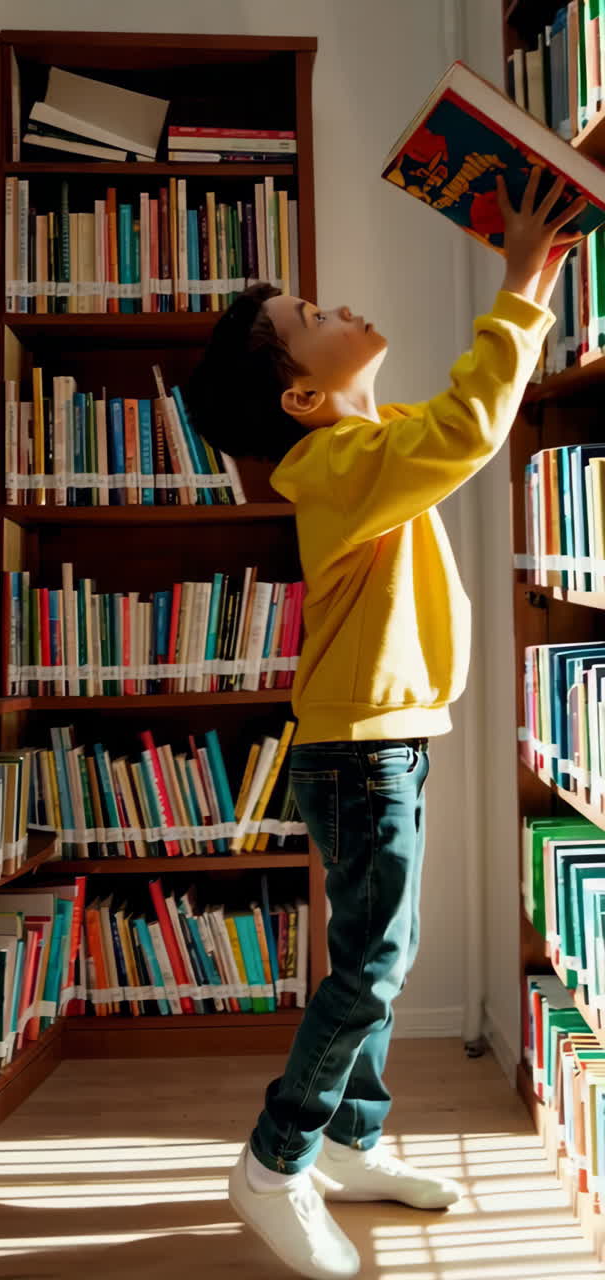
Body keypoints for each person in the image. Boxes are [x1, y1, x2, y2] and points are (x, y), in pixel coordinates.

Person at [185, 168, 584, 1280]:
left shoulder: (359, 446)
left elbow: (455, 420)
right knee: (374, 963)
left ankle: (352, 1141)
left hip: (375, 741)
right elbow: (469, 427)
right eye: (309, 320)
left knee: (365, 952)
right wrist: (515, 289)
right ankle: (272, 1163)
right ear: (303, 397)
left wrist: (530, 281)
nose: (338, 307)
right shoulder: (338, 466)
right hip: (363, 751)